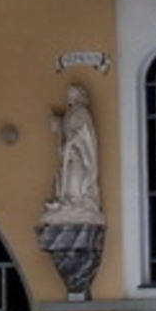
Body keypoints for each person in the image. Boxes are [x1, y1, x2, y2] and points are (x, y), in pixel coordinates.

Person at [48, 85, 101, 220]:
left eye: (73, 94)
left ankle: (78, 203)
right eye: (69, 94)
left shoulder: (82, 112)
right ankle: (68, 203)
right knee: (67, 178)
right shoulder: (70, 113)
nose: (70, 96)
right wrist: (58, 124)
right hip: (69, 154)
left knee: (75, 179)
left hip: (79, 154)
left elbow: (84, 133)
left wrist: (73, 142)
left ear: (79, 96)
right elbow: (66, 133)